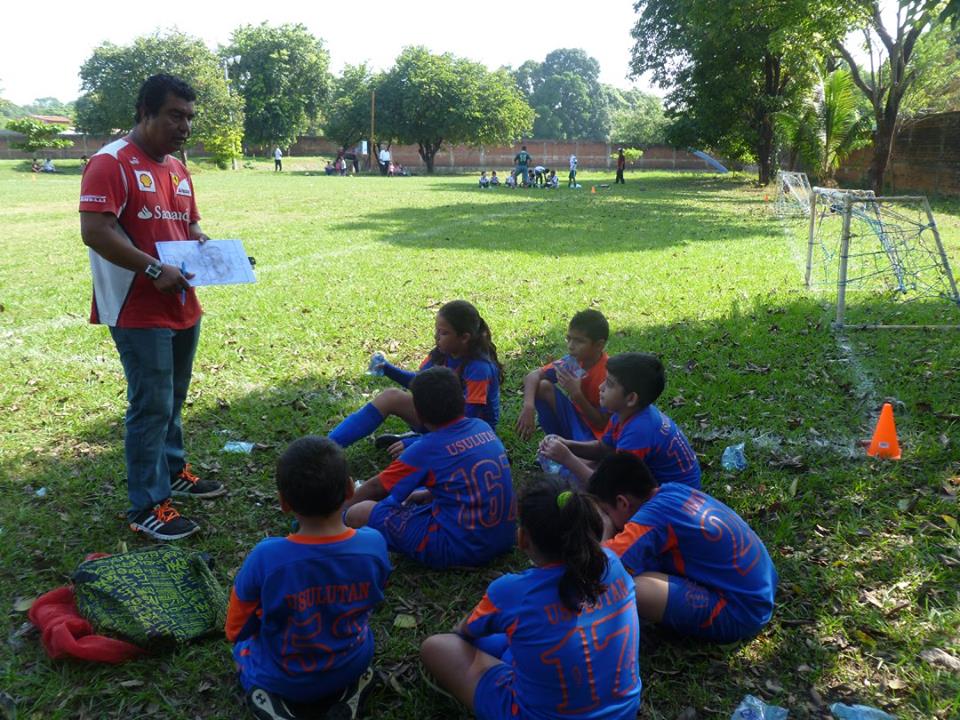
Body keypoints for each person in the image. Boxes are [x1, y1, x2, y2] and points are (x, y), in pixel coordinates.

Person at [79, 73, 225, 540]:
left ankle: (174, 472)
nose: (184, 126)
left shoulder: (178, 168)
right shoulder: (111, 162)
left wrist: (201, 240)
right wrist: (151, 270)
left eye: (188, 117)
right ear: (145, 112)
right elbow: (96, 231)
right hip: (137, 306)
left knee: (174, 397)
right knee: (151, 404)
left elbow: (189, 223)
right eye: (174, 115)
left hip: (182, 301)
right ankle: (147, 504)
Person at [421, 476, 641, 719]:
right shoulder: (614, 565)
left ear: (523, 538)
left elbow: (467, 631)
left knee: (437, 647)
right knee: (520, 638)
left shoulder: (510, 592)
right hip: (624, 713)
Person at [226, 436, 391, 720]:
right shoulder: (374, 545)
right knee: (365, 639)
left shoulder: (267, 557)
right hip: (350, 661)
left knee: (242, 650)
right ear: (351, 489)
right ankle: (354, 687)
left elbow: (235, 629)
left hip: (284, 677)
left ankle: (269, 703)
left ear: (283, 503)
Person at [589, 453, 778, 642]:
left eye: (606, 512)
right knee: (639, 564)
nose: (606, 518)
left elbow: (602, 569)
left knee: (631, 587)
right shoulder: (672, 490)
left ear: (622, 502)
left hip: (740, 614)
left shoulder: (650, 520)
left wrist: (606, 528)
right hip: (759, 592)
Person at [343, 367, 516, 569]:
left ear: (418, 412)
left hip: (461, 549)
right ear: (463, 400)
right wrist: (428, 494)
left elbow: (376, 488)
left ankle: (329, 529)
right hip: (505, 537)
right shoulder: (482, 426)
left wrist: (333, 512)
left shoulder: (426, 449)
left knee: (360, 511)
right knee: (414, 494)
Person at [329, 300, 503, 452]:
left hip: (472, 436)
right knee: (391, 396)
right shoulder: (442, 354)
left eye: (443, 333)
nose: (436, 337)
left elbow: (469, 420)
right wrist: (388, 369)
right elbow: (420, 384)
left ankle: (422, 439)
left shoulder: (479, 368)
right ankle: (327, 447)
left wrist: (420, 443)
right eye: (437, 330)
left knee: (415, 460)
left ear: (464, 337)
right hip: (442, 421)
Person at [539, 352, 700, 489]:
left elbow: (609, 490)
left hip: (673, 503)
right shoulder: (623, 412)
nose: (600, 387)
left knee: (582, 495)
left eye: (609, 384)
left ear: (631, 398)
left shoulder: (638, 432)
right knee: (586, 469)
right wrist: (568, 445)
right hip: (648, 482)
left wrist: (567, 458)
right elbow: (604, 448)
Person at [516, 309, 610, 443]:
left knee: (588, 458)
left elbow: (602, 424)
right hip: (574, 419)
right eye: (569, 339)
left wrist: (576, 395)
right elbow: (533, 376)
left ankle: (569, 449)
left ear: (599, 345)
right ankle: (555, 440)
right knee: (541, 386)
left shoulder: (608, 375)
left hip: (595, 436)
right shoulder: (572, 362)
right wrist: (528, 407)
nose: (571, 346)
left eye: (579, 341)